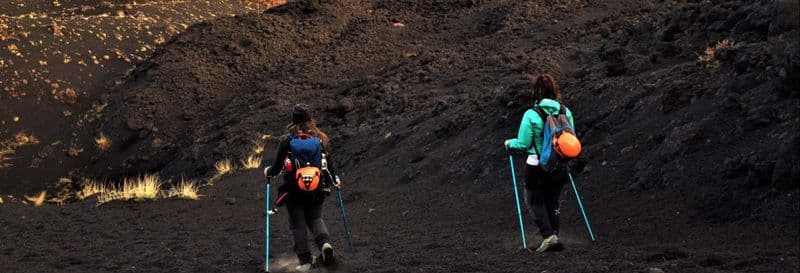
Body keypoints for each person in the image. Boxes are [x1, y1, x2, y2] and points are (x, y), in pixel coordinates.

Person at [263, 104, 341, 271]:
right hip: (317, 188)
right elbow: (329, 165)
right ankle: (325, 244)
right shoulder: (320, 139)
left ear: (293, 121)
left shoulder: (287, 141)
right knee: (315, 218)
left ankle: (305, 262)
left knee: (298, 223)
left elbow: (276, 168)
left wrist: (268, 171)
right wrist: (335, 180)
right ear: (310, 119)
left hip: (294, 190)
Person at [504, 74, 575, 253]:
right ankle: (554, 234)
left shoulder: (531, 114)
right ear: (555, 90)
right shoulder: (565, 112)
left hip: (536, 165)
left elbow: (523, 143)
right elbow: (571, 137)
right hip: (559, 164)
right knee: (553, 200)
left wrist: (508, 143)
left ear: (535, 92)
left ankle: (549, 236)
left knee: (534, 200)